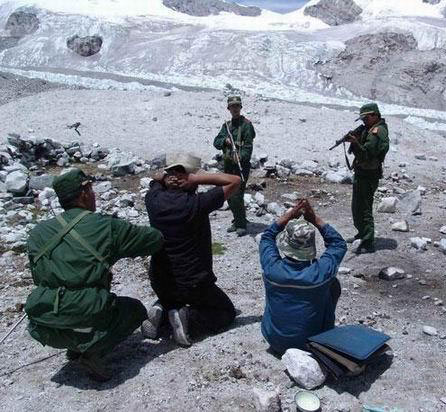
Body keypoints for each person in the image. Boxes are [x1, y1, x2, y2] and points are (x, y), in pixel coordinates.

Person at [25, 168, 164, 382]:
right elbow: (154, 239)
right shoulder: (104, 226)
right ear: (85, 193)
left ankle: (76, 343)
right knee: (134, 310)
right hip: (85, 310)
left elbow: (38, 278)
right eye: (91, 189)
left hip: (43, 321)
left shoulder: (37, 233)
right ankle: (91, 351)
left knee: (79, 308)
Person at [143, 153, 241, 346]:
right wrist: (196, 178)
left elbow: (154, 179)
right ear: (189, 178)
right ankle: (188, 320)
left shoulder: (152, 199)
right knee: (225, 313)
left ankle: (163, 310)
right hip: (193, 283)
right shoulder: (196, 204)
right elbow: (235, 181)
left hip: (161, 280)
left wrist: (166, 178)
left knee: (173, 300)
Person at [259, 199, 347, 355]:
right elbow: (338, 244)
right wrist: (315, 219)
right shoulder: (321, 273)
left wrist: (286, 217)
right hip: (310, 344)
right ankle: (324, 329)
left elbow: (267, 237)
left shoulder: (272, 269)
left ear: (286, 244)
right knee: (333, 285)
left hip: (274, 340)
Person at [345, 103, 390, 254]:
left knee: (364, 208)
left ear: (375, 115)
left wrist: (355, 143)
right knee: (357, 206)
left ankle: (368, 242)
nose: (364, 121)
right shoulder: (368, 129)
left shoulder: (378, 131)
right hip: (362, 172)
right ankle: (361, 234)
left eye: (366, 118)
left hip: (369, 174)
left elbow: (367, 154)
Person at [213, 95, 256, 236]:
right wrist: (225, 141)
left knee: (237, 195)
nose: (235, 109)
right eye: (232, 107)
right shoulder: (226, 126)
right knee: (229, 195)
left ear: (240, 107)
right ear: (229, 109)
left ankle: (241, 224)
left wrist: (240, 157)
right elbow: (216, 142)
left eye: (237, 106)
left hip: (240, 167)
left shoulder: (246, 125)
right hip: (228, 166)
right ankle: (238, 220)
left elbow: (248, 147)